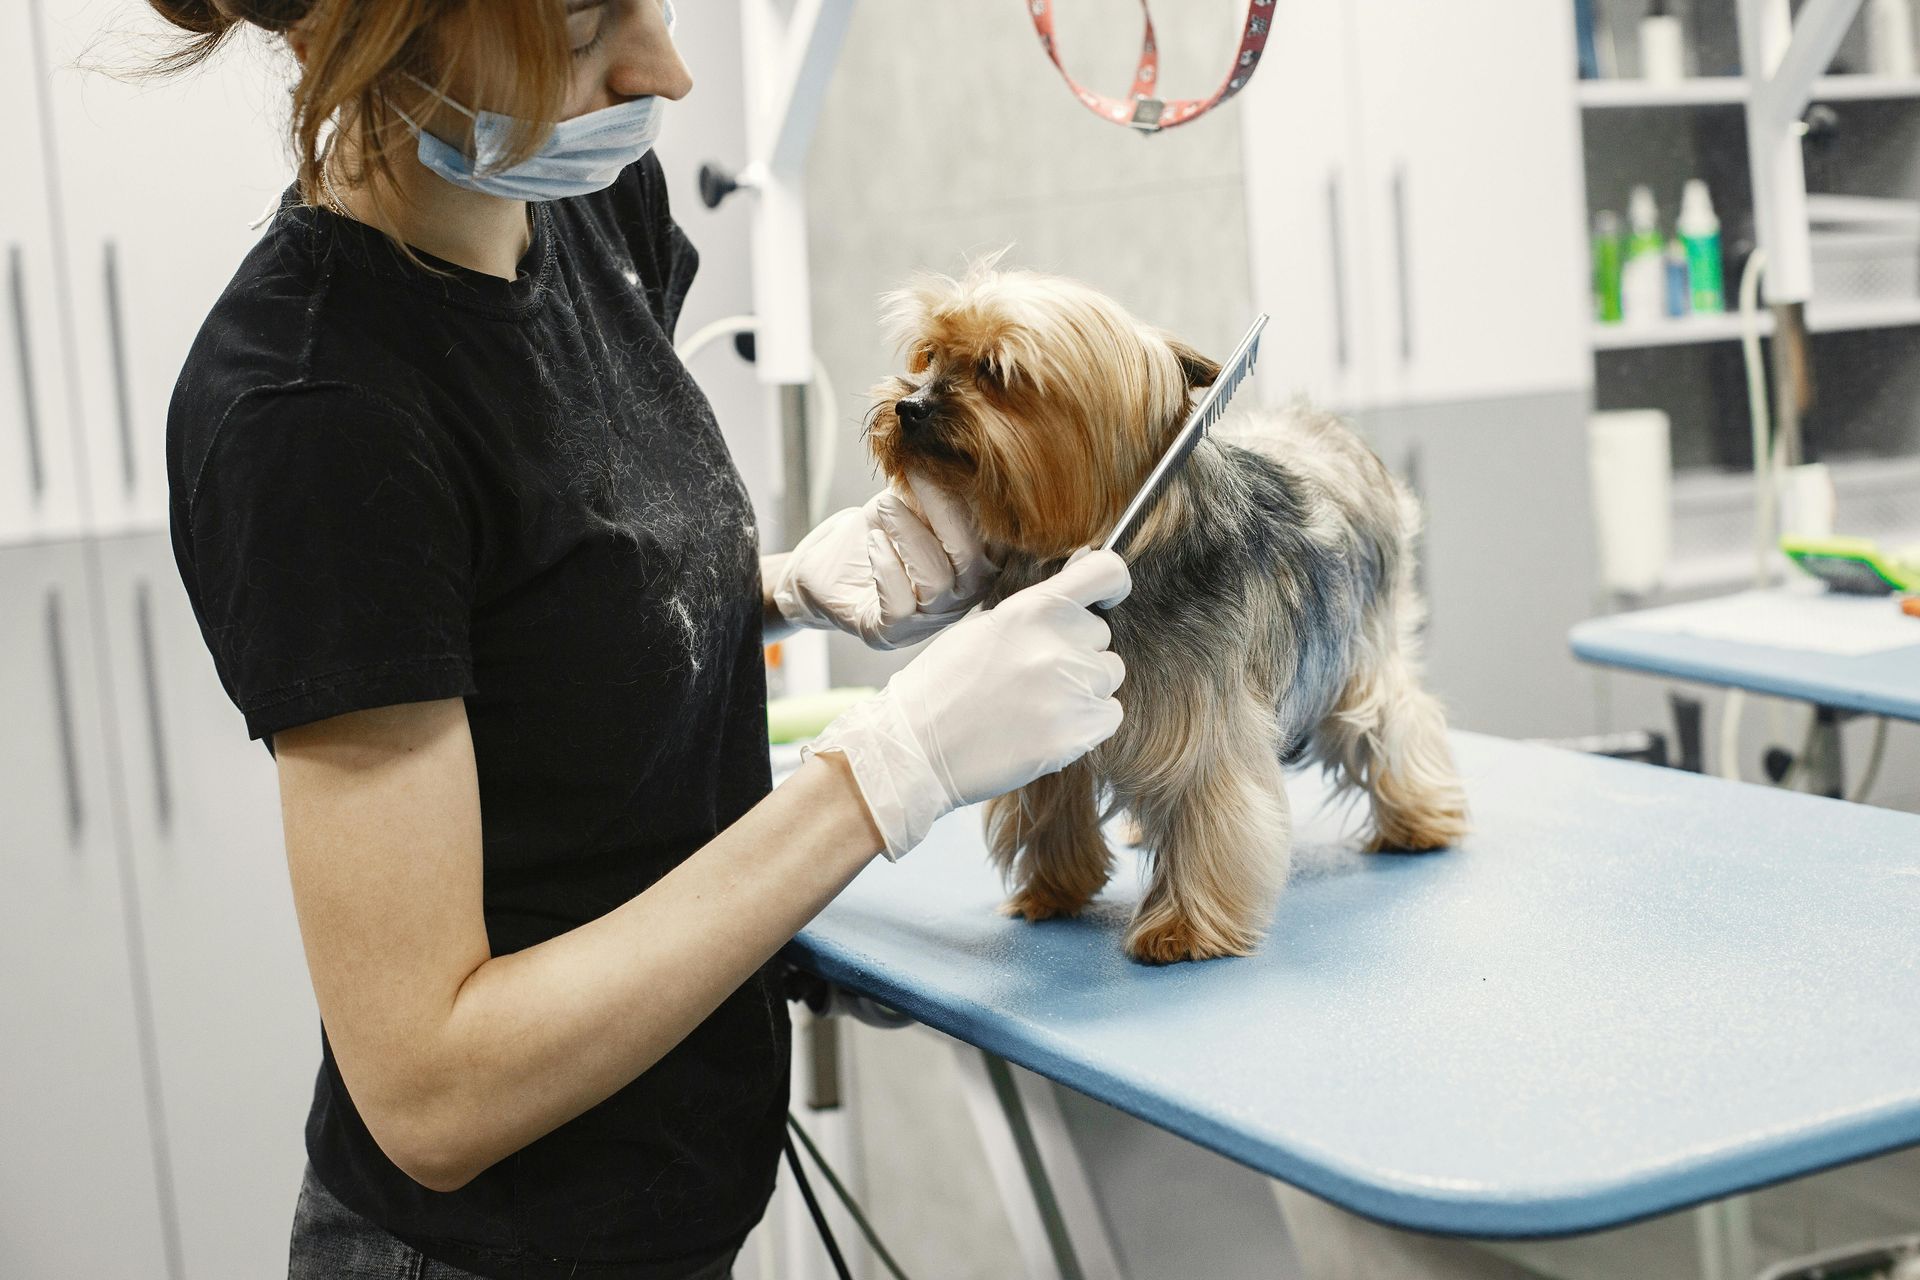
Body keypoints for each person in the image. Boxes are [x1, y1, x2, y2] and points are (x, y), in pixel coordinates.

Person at [146, 1, 1130, 1277]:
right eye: (581, 22)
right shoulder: (314, 413)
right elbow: (434, 1092)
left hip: (678, 1213)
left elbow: (535, 601)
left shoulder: (587, 207)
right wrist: (891, 772)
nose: (662, 68)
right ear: (383, 30)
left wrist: (774, 588)